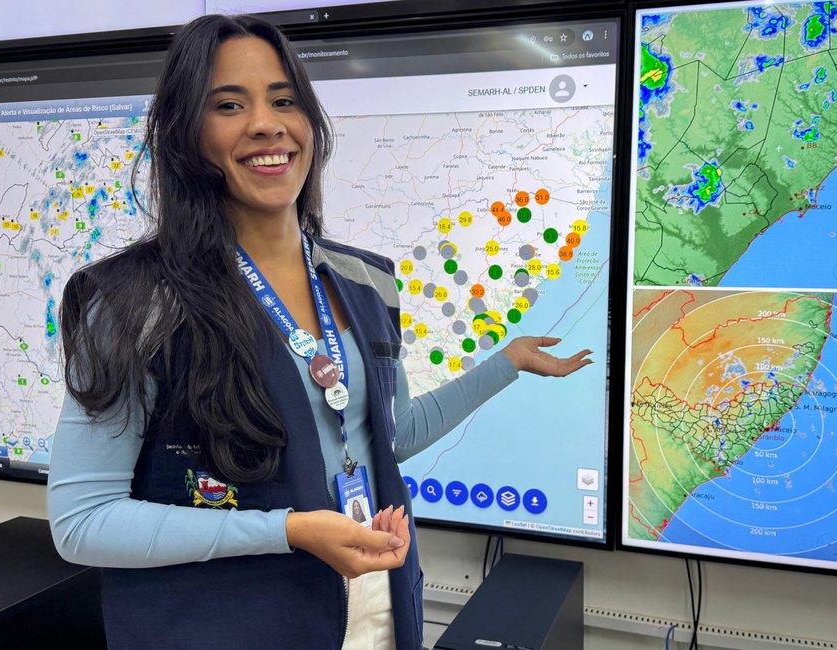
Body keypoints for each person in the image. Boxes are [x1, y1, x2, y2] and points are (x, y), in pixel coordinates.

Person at [47, 13, 591, 650]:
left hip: (372, 616)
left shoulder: (366, 282)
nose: (266, 123)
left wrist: (506, 363)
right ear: (186, 136)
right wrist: (288, 529)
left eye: (284, 100)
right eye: (229, 104)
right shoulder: (134, 301)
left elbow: (388, 434)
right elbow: (82, 522)